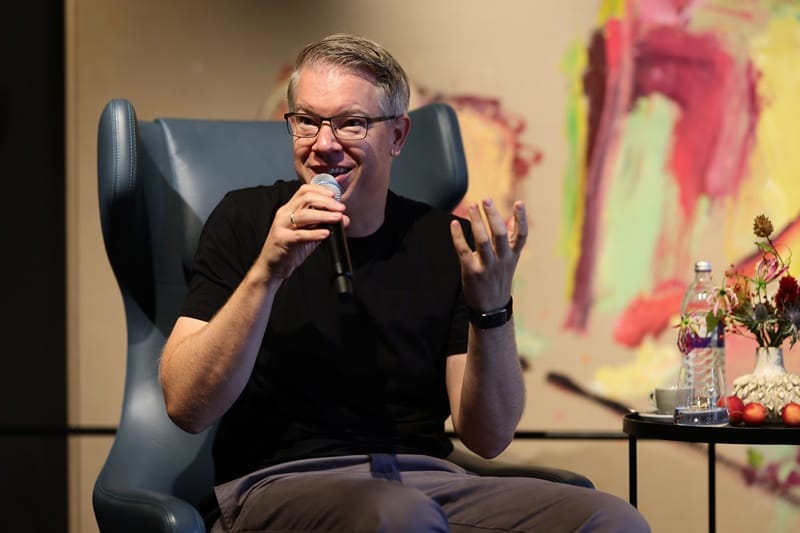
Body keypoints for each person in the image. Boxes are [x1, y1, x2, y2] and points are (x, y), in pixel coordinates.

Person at [160, 33, 650, 532]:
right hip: (280, 484)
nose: (324, 145)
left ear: (397, 136)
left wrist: (492, 309)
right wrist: (267, 273)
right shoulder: (245, 220)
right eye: (307, 121)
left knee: (610, 519)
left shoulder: (446, 242)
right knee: (398, 516)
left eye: (351, 123)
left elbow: (488, 438)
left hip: (428, 482)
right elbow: (186, 405)